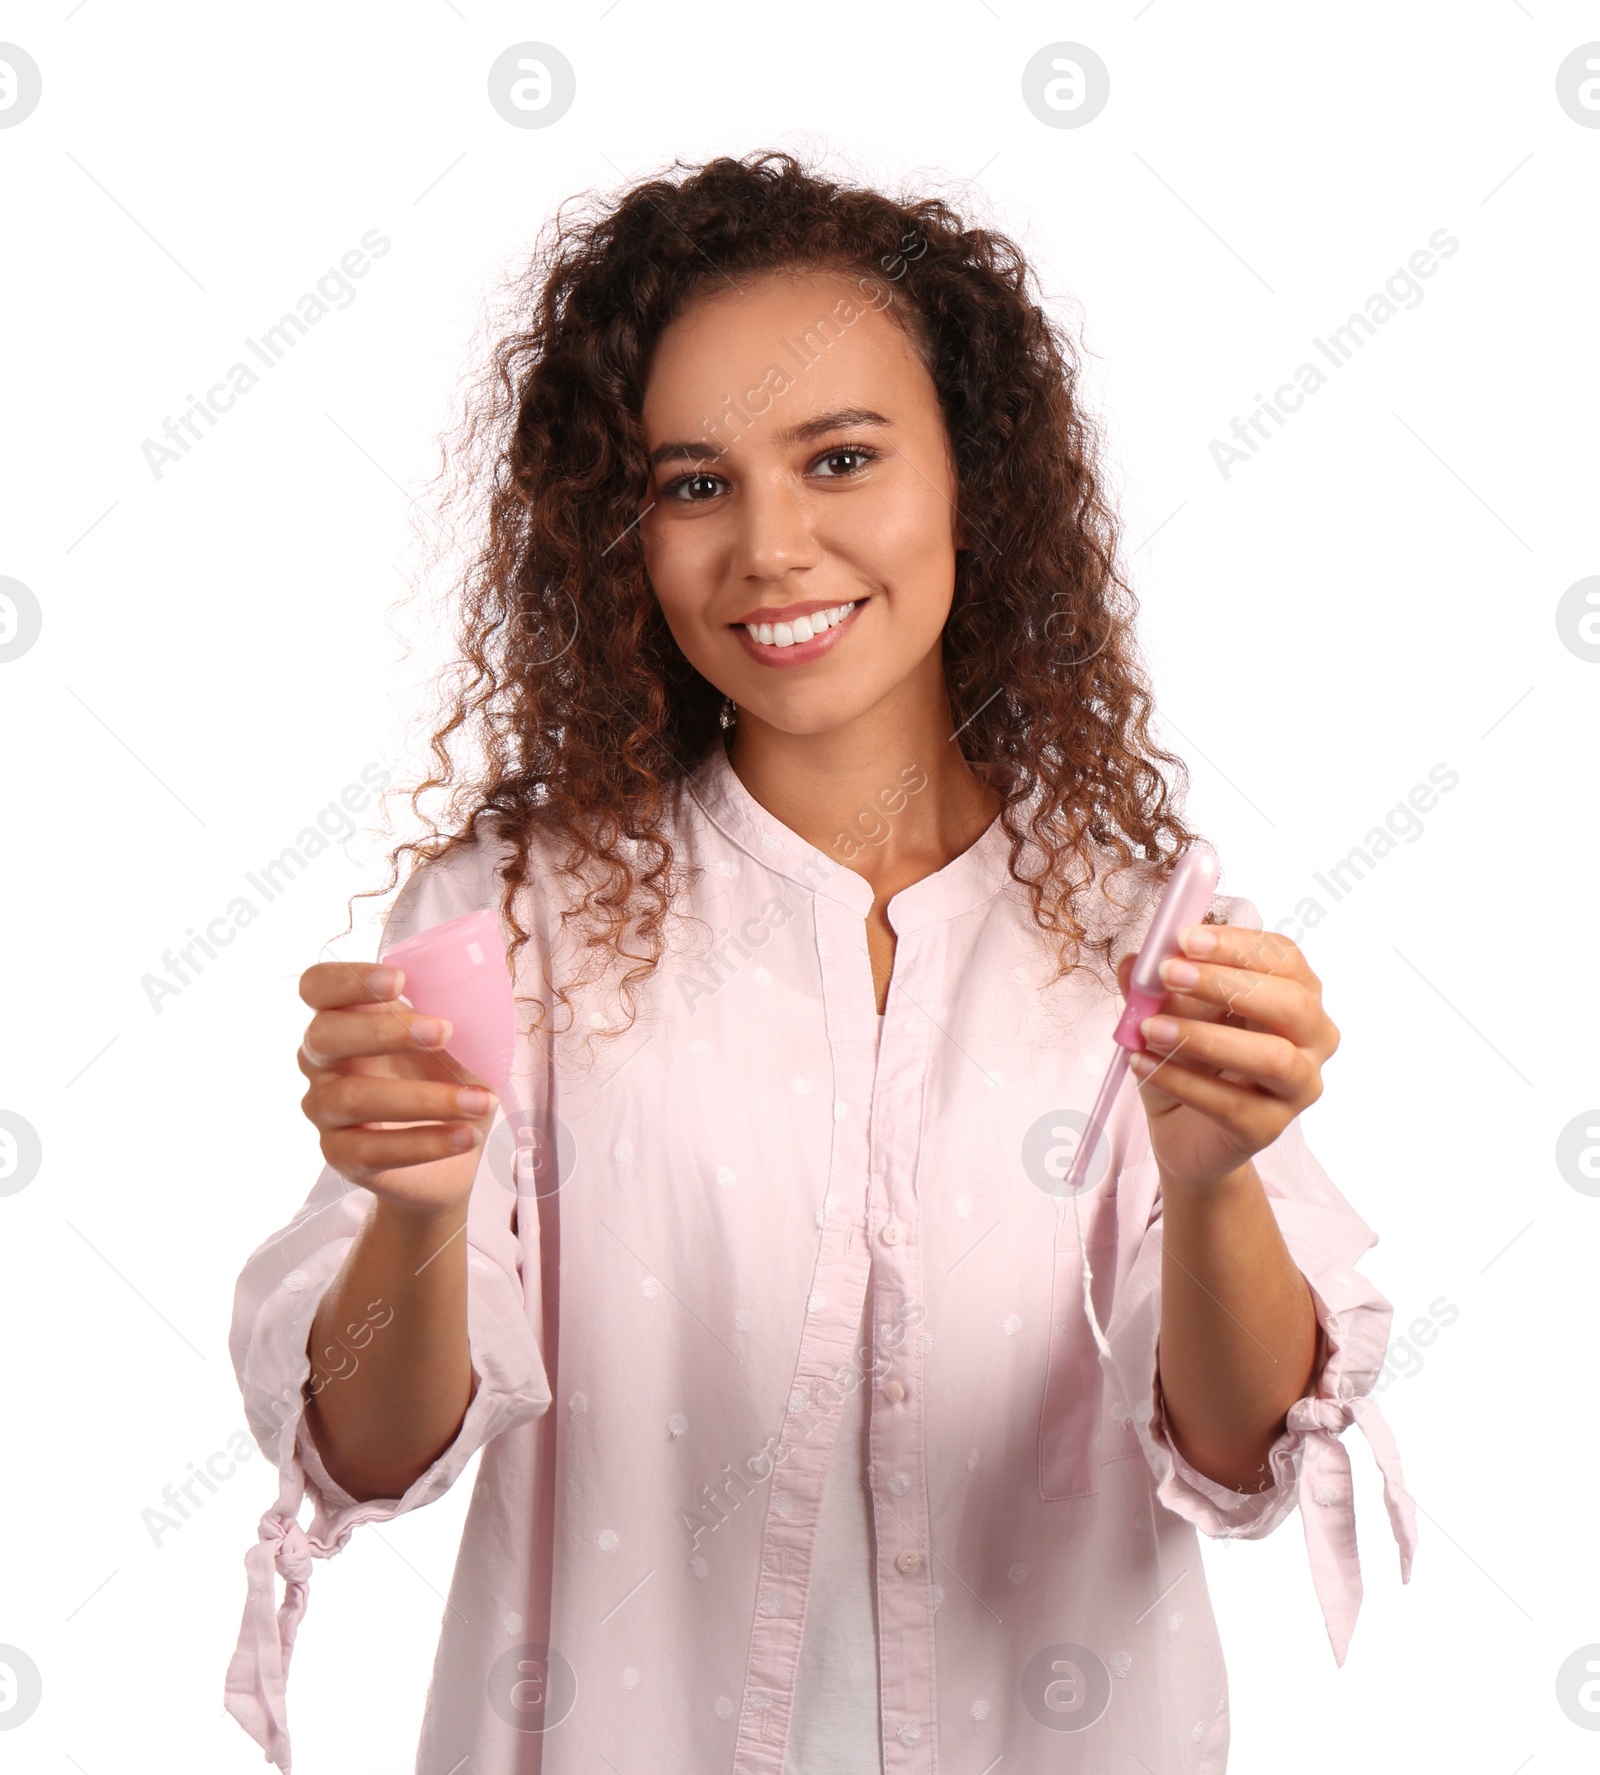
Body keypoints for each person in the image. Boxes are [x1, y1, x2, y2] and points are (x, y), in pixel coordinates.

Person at [223, 149, 1415, 1774]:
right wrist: (421, 1220)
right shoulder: (506, 919)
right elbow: (369, 1453)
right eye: (693, 484)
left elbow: (1243, 1452)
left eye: (840, 457)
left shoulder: (1140, 928)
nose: (773, 548)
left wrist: (1215, 1190)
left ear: (970, 482)